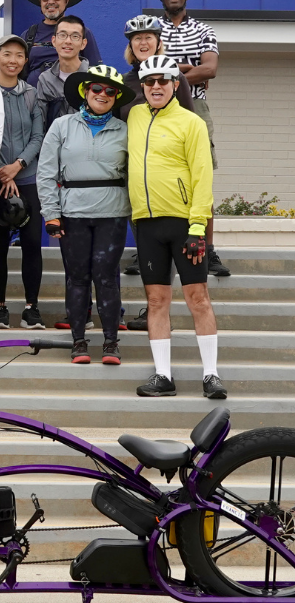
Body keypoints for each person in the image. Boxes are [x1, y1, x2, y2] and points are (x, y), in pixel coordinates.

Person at [127, 55, 226, 399]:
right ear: (143, 86)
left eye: (163, 81)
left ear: (174, 84)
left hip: (185, 224)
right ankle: (163, 375)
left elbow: (203, 176)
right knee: (157, 301)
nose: (156, 86)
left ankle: (211, 375)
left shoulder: (191, 122)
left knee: (197, 297)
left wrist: (199, 226)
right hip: (147, 224)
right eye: (150, 81)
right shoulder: (135, 116)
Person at [37, 66, 134, 365]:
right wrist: (51, 214)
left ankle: (110, 343)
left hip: (113, 213)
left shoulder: (126, 130)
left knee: (106, 278)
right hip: (72, 213)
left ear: (116, 96)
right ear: (85, 91)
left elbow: (136, 173)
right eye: (96, 89)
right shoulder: (62, 126)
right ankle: (78, 342)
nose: (102, 95)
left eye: (110, 91)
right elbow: (46, 171)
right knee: (77, 277)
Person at [118, 15, 194, 320]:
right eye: (137, 39)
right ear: (131, 46)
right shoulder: (124, 83)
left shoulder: (178, 79)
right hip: (136, 180)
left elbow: (188, 124)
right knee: (147, 250)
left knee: (168, 252)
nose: (143, 42)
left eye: (149, 37)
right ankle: (153, 308)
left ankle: (159, 311)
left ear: (159, 42)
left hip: (170, 182)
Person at [156, 0, 229, 278]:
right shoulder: (151, 28)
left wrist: (169, 72)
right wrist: (188, 67)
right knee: (153, 174)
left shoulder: (203, 29)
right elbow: (145, 68)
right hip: (157, 107)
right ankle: (148, 247)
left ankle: (208, 251)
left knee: (202, 178)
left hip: (195, 107)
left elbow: (210, 69)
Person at [0, 34, 45, 330]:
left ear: (25, 62)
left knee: (32, 243)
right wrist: (0, 170)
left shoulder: (31, 94)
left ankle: (31, 308)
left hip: (28, 178)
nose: (13, 60)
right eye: (7, 54)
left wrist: (18, 165)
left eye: (19, 56)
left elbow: (38, 136)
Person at [17, 0, 102, 83]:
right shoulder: (28, 35)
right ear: (40, 2)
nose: (51, 1)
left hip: (71, 97)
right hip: (35, 98)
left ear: (66, 1)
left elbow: (96, 71)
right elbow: (19, 73)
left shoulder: (82, 32)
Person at [33, 15, 93, 130]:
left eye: (75, 36)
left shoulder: (93, 77)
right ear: (54, 41)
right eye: (62, 35)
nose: (68, 41)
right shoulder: (45, 79)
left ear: (83, 43)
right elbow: (41, 123)